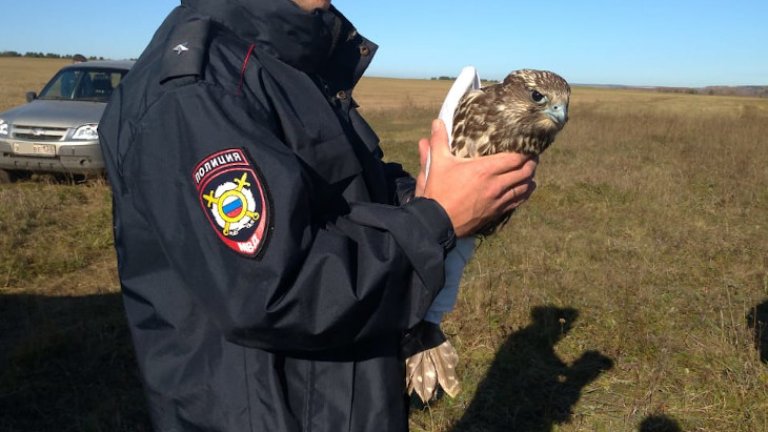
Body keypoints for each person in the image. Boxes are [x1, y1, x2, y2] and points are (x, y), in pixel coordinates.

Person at [98, 0, 537, 430]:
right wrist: (436, 219)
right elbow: (279, 290)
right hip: (267, 412)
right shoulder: (202, 91)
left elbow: (343, 193)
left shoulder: (279, 60)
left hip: (341, 396)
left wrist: (422, 194)